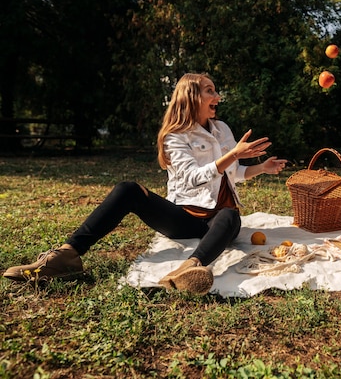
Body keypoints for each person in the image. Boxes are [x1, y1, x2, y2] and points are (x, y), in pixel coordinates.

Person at [3, 73, 288, 295]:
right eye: (210, 90)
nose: (217, 96)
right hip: (183, 216)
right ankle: (67, 255)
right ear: (191, 96)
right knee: (128, 189)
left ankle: (189, 270)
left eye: (215, 90)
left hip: (220, 220)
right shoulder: (175, 136)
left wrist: (261, 167)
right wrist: (232, 154)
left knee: (230, 214)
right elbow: (192, 178)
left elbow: (233, 173)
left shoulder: (222, 129)